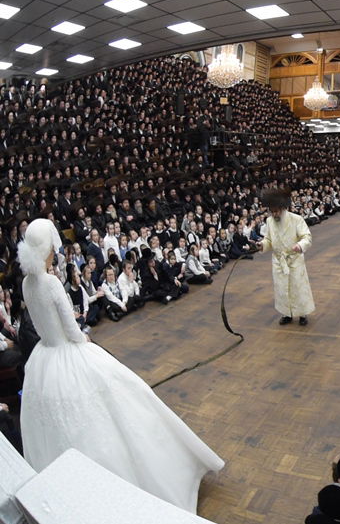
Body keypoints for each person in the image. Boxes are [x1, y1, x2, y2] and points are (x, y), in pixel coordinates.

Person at [17, 218, 223, 513]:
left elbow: (40, 325)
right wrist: (83, 339)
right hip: (69, 353)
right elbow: (72, 329)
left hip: (44, 359)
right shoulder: (50, 284)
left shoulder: (26, 284)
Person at [256, 188, 315, 326]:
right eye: (272, 211)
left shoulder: (296, 219)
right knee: (282, 289)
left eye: (277, 211)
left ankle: (302, 313)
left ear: (283, 208)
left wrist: (300, 245)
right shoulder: (269, 221)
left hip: (294, 259)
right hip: (279, 261)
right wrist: (262, 245)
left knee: (298, 288)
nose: (274, 214)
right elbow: (268, 239)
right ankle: (286, 313)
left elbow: (307, 237)